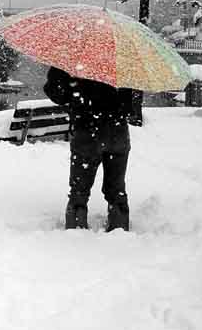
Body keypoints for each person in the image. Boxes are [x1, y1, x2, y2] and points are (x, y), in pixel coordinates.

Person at [43, 66, 134, 231]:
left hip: (87, 131)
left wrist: (74, 91)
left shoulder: (73, 59)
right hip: (117, 131)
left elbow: (56, 93)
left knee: (79, 189)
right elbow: (131, 104)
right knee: (117, 188)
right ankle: (119, 227)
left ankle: (76, 228)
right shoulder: (123, 61)